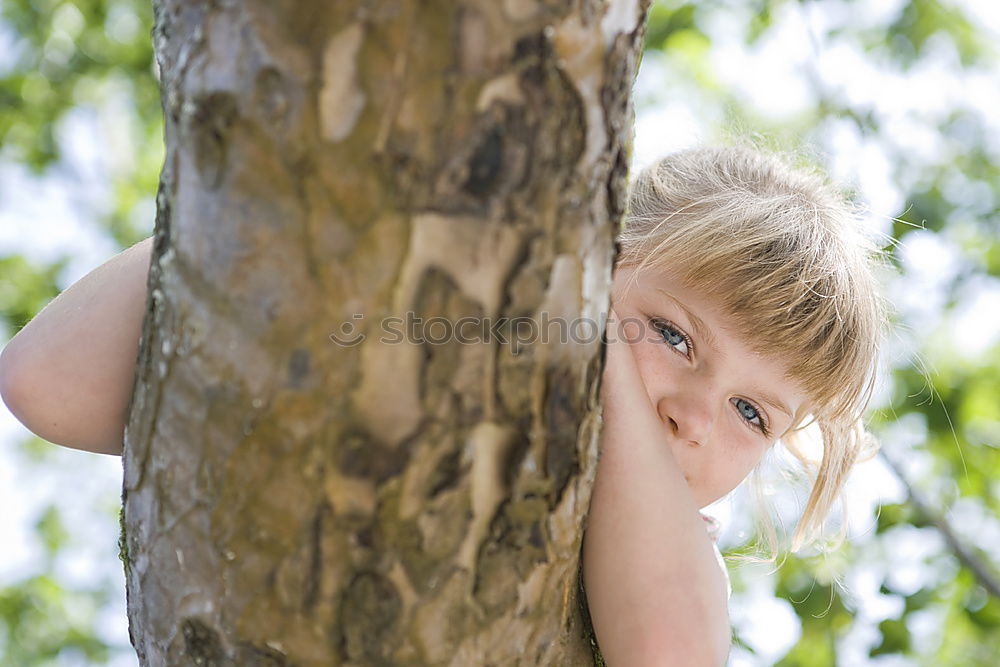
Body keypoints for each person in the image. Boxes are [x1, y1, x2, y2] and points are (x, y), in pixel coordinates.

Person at [0, 143, 887, 665]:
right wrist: (288, 197)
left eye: (751, 414)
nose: (694, 412)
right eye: (677, 336)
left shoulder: (676, 556)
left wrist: (610, 346)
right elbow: (47, 383)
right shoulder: (423, 387)